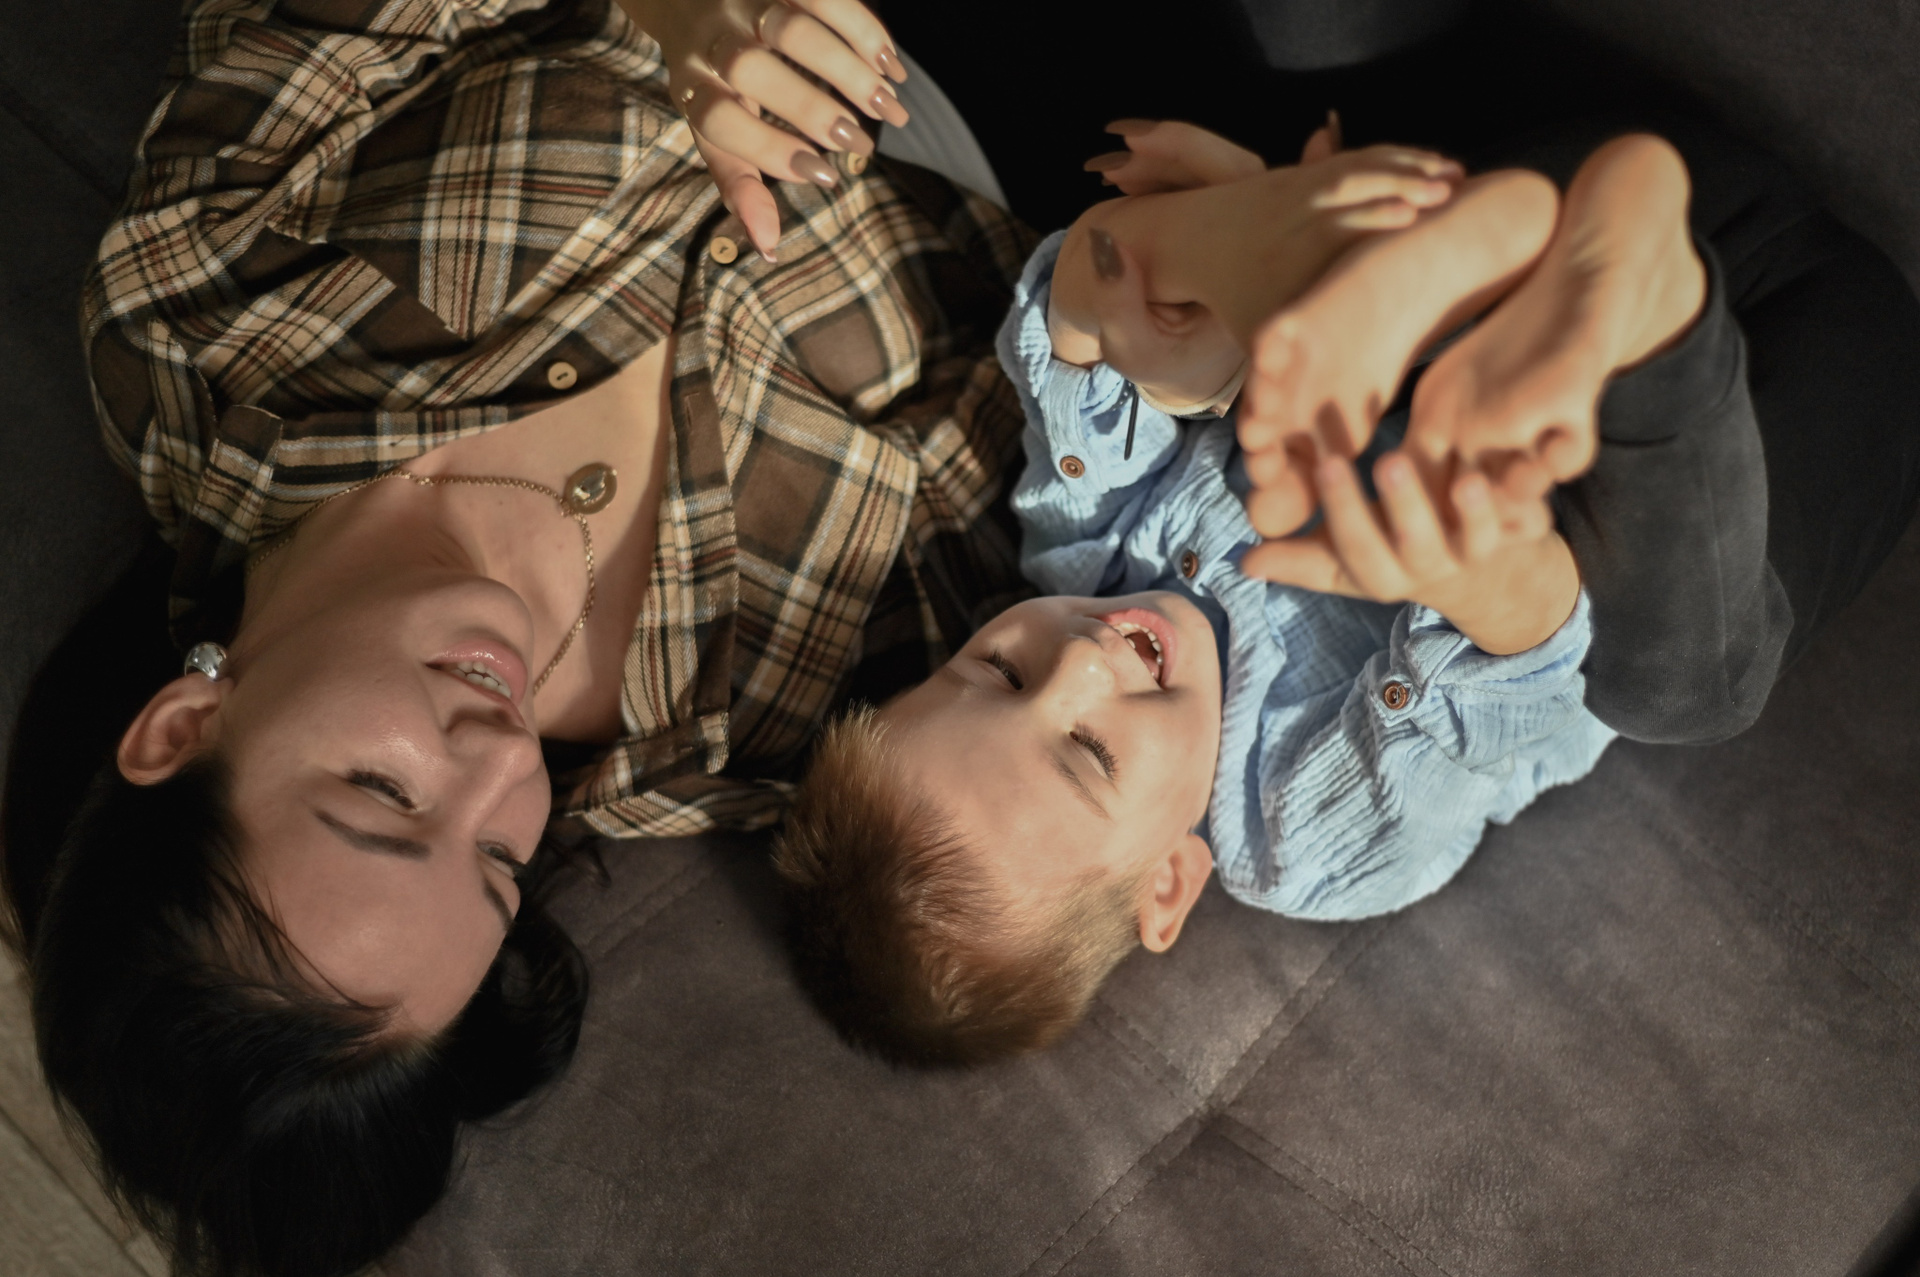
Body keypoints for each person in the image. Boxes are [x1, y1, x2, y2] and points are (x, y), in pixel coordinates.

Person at [18, 0, 1040, 1273]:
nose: (500, 760)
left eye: (385, 792)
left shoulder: (203, 323)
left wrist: (668, 15)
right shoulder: (715, 732)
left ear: (183, 724)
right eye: (501, 861)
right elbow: (1073, 501)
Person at [770, 126, 1775, 1064]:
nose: (1077, 658)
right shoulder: (1298, 838)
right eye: (1087, 752)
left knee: (1188, 333)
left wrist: (1142, 270)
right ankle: (1623, 291)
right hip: (1618, 518)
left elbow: (1065, 373)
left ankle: (1357, 249)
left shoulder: (1082, 559)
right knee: (1679, 689)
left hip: (1458, 305)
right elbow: (1519, 673)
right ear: (1167, 881)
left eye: (998, 669)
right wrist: (1445, 568)